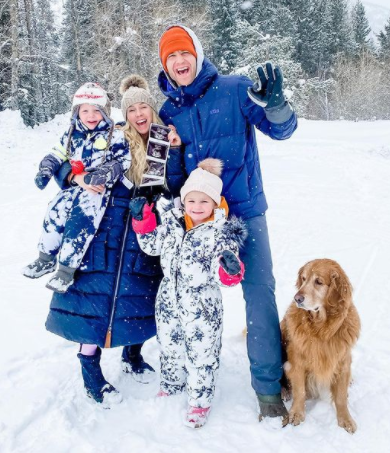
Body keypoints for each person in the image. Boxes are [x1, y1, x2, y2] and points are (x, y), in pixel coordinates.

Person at [157, 25, 298, 422]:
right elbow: (173, 181)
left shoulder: (236, 90)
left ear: (197, 56)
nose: (179, 62)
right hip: (200, 219)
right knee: (194, 298)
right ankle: (190, 373)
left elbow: (282, 130)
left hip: (245, 210)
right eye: (171, 57)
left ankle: (269, 389)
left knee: (258, 293)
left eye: (184, 53)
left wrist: (276, 106)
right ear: (164, 65)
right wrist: (172, 154)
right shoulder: (169, 111)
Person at [43, 74, 183, 407]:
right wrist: (75, 176)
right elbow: (66, 161)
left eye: (143, 107)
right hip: (103, 231)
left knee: (140, 297)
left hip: (142, 230)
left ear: (151, 109)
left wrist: (175, 154)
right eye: (131, 108)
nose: (138, 114)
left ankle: (132, 355)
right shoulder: (112, 135)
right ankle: (90, 371)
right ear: (124, 113)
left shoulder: (164, 140)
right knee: (92, 304)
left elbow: (173, 187)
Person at [130, 158, 246, 428]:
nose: (197, 207)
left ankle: (199, 401)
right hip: (169, 297)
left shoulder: (221, 233)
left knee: (202, 353)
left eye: (204, 202)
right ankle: (171, 383)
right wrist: (143, 220)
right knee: (169, 345)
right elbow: (151, 246)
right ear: (183, 200)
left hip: (202, 304)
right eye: (191, 201)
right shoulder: (172, 223)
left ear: (215, 203)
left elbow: (228, 277)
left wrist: (230, 268)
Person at [22, 82, 130, 293]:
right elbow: (56, 154)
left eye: (96, 110)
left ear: (105, 112)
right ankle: (45, 257)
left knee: (80, 222)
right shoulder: (71, 134)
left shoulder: (114, 135)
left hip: (96, 192)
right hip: (72, 188)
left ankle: (65, 270)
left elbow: (122, 161)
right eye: (85, 110)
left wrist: (101, 175)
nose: (90, 115)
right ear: (76, 112)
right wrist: (46, 169)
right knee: (54, 211)